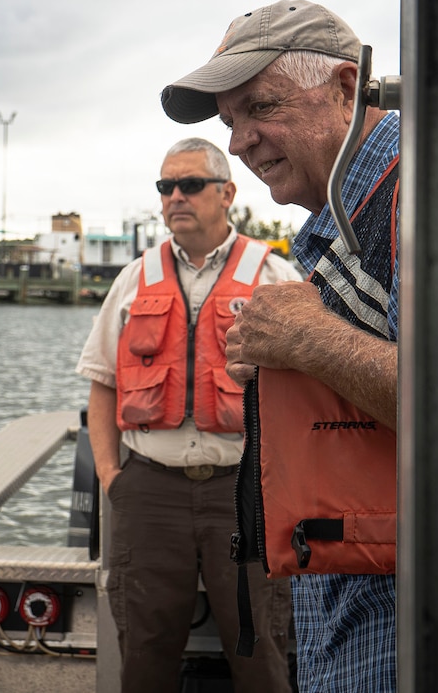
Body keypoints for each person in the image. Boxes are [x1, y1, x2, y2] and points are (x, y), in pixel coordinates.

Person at [161, 0, 401, 691]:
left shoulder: (412, 200)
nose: (238, 140)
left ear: (347, 91)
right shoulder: (348, 217)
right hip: (357, 598)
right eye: (230, 120)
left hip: (406, 611)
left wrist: (308, 337)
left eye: (260, 106)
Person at [76, 137, 299, 692]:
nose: (175, 196)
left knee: (260, 650)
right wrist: (113, 479)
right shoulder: (133, 280)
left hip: (246, 492)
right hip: (149, 492)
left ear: (227, 193)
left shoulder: (276, 279)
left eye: (190, 184)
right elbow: (101, 385)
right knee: (146, 655)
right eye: (165, 186)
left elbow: (310, 398)